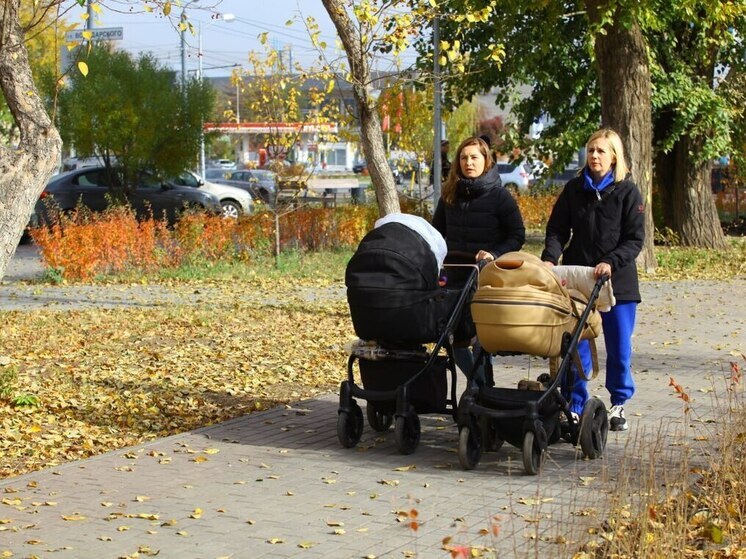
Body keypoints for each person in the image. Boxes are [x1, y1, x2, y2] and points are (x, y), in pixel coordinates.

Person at [540, 128, 645, 431]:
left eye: (601, 151)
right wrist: (550, 257)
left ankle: (619, 402)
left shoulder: (628, 191)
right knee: (574, 345)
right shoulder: (574, 189)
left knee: (618, 347)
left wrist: (610, 262)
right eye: (591, 151)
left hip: (617, 282)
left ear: (614, 156)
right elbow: (557, 229)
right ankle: (574, 404)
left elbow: (634, 239)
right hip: (578, 280)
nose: (594, 156)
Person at [432, 136, 526, 385]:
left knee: (481, 339)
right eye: (463, 158)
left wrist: (493, 253)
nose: (468, 162)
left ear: (486, 161)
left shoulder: (499, 196)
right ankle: (481, 386)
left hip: (487, 276)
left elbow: (517, 234)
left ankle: (480, 391)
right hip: (454, 275)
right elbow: (436, 233)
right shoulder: (449, 195)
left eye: (474, 157)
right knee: (452, 338)